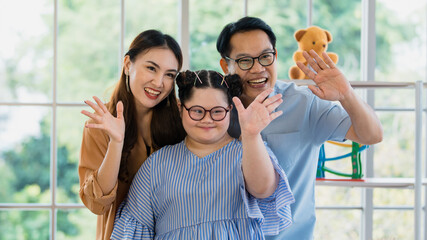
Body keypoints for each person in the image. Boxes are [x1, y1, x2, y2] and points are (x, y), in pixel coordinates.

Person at [216, 17, 383, 240]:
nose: (258, 69)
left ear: (275, 56)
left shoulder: (305, 103)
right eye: (245, 61)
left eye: (266, 57)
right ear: (225, 65)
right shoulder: (213, 110)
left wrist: (346, 94)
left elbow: (372, 135)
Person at [111, 70, 295, 239]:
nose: (207, 120)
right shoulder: (156, 165)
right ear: (180, 107)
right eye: (197, 111)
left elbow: (263, 190)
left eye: (217, 112)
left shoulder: (249, 150)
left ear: (230, 110)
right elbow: (133, 231)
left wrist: (251, 134)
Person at [78, 29, 186, 240]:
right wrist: (116, 142)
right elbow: (96, 204)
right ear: (128, 65)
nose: (158, 83)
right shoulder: (101, 124)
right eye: (151, 68)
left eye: (169, 75)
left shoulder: (183, 118)